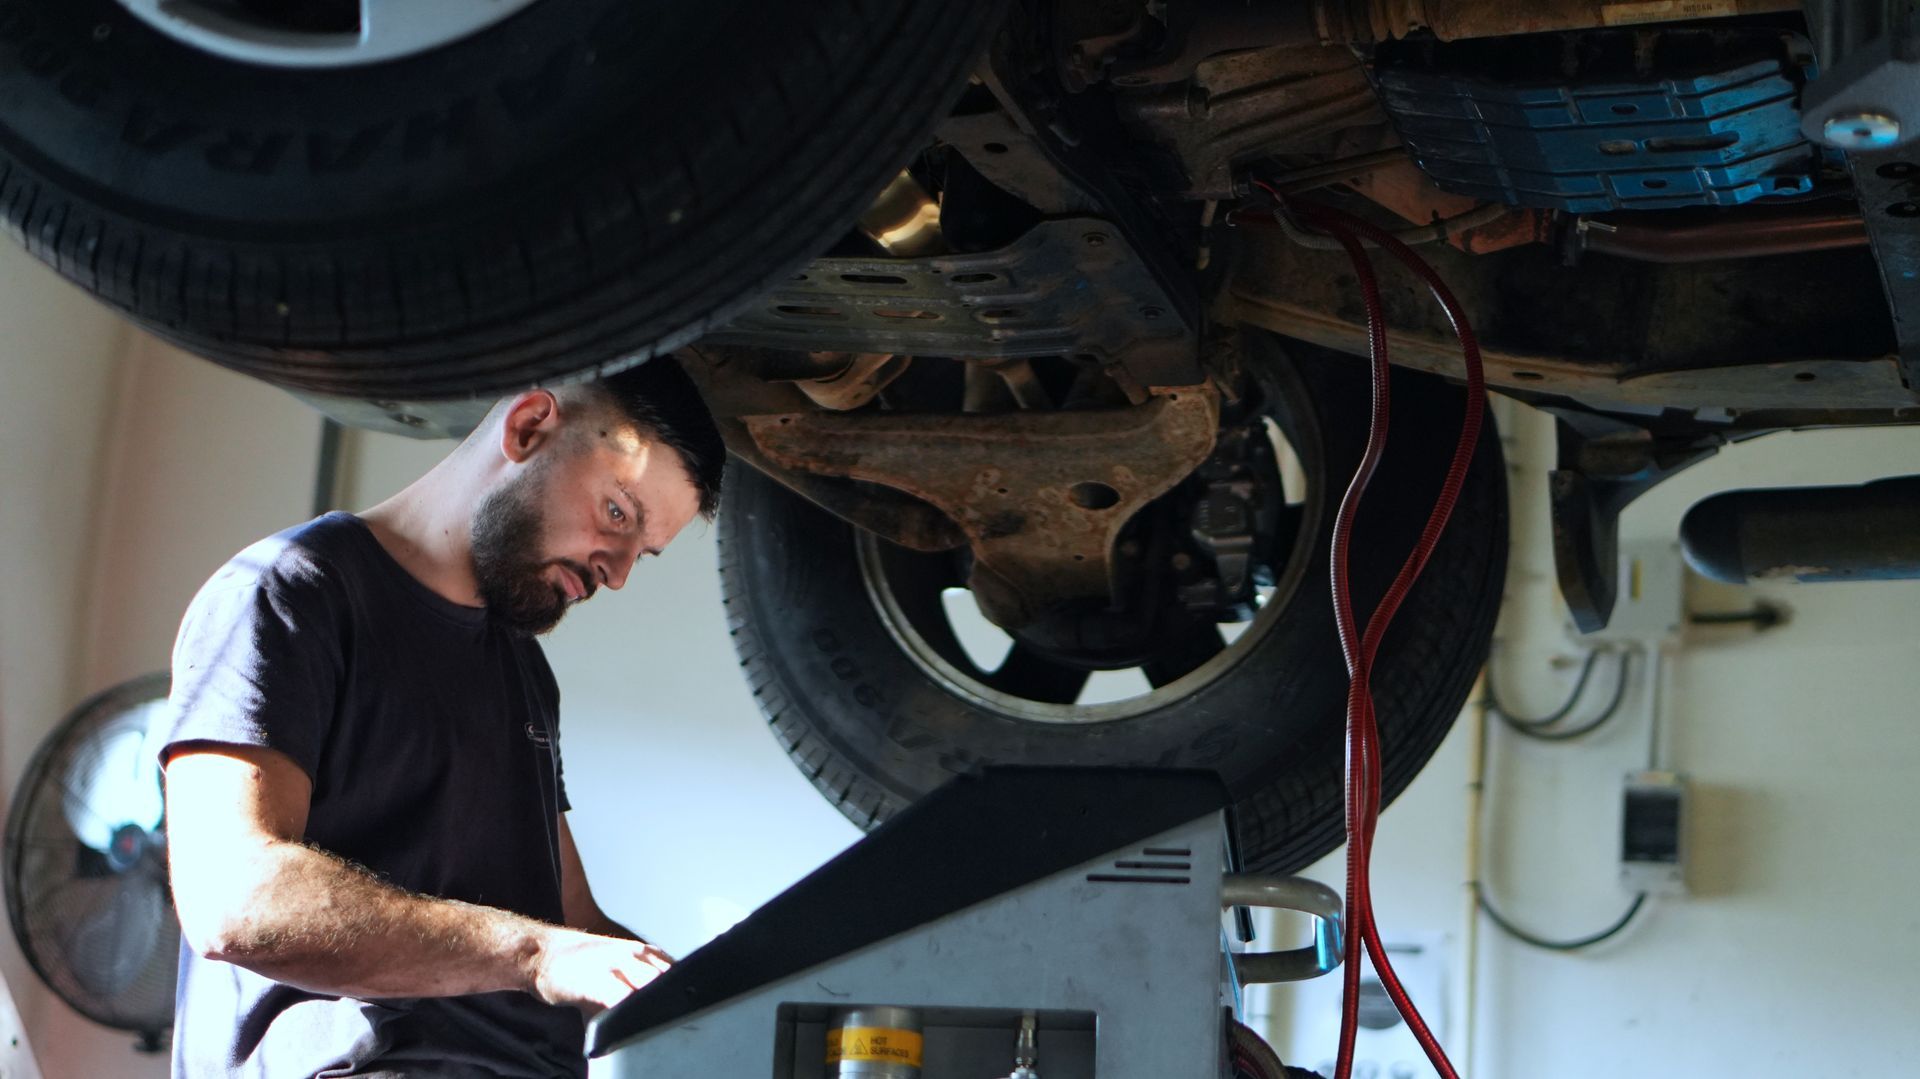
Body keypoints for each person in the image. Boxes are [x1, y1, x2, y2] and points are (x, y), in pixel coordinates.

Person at [159, 358, 726, 1078]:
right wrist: (535, 953)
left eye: (640, 553)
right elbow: (234, 899)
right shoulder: (285, 595)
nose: (615, 571)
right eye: (618, 513)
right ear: (528, 427)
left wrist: (729, 992)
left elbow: (571, 920)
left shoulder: (522, 670)